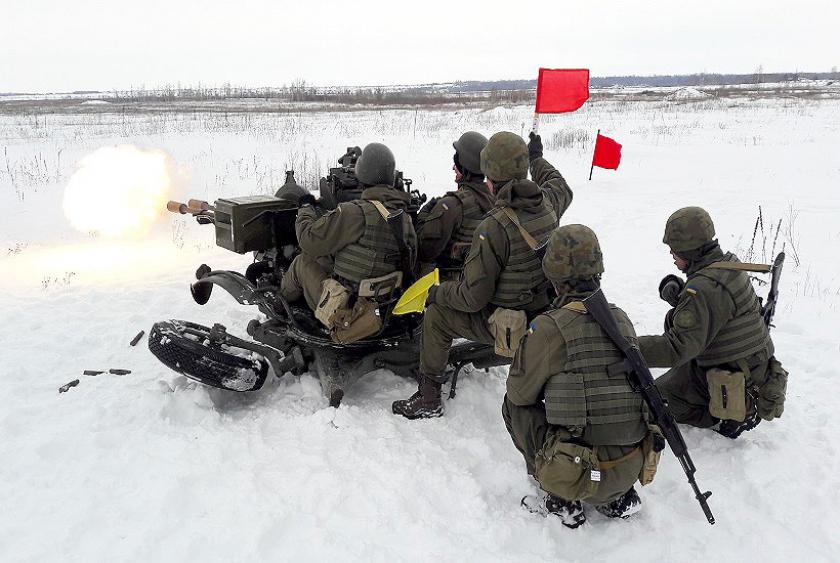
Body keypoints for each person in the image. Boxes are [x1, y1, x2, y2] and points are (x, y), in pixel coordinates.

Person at [392, 131, 573, 420]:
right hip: (543, 316)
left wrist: (435, 293)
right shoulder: (549, 203)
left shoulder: (494, 227)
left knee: (437, 315)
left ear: (489, 175)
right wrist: (537, 159)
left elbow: (472, 297)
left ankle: (428, 398)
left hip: (510, 324)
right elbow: (559, 183)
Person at [503, 224, 650, 528]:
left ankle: (561, 497)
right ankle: (616, 499)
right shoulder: (620, 318)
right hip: (629, 467)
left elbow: (520, 392)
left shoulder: (550, 327)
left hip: (578, 471)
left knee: (513, 405)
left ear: (553, 275)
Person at [639, 206, 786, 438]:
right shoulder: (729, 264)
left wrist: (628, 346)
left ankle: (722, 416)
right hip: (750, 367)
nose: (672, 255)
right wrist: (682, 298)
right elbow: (718, 309)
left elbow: (675, 349)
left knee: (647, 402)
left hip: (733, 379)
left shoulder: (702, 289)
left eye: (675, 250)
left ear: (689, 251)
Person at [279, 142, 416, 316]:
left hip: (346, 311)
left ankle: (279, 307)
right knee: (325, 258)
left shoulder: (354, 213)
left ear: (362, 173)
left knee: (302, 261)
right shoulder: (404, 218)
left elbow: (308, 240)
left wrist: (305, 208)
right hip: (382, 306)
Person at [415, 131, 494, 280]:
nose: (453, 167)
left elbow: (425, 251)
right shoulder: (494, 200)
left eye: (456, 163)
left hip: (450, 286)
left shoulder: (452, 205)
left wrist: (424, 214)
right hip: (478, 280)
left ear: (464, 166)